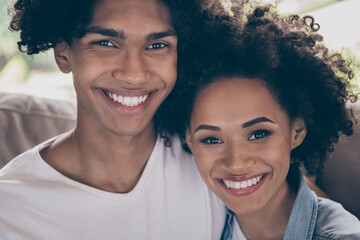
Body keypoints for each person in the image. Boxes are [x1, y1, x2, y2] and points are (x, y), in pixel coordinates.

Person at [0, 0, 226, 239]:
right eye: (105, 43)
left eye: (157, 45)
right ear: (63, 53)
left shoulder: (218, 168)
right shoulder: (10, 207)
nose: (134, 74)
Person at [180, 4, 360, 240]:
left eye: (258, 134)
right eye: (212, 139)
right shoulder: (199, 218)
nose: (236, 164)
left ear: (297, 131)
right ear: (190, 139)